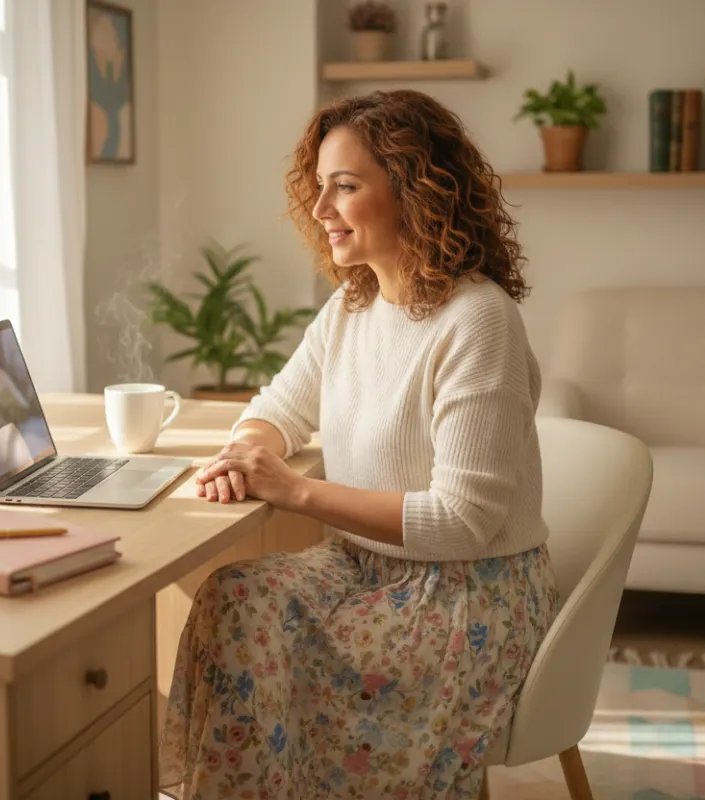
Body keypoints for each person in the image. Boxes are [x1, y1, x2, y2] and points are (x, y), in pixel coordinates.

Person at [158, 89, 559, 800]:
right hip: (364, 570)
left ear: (416, 192)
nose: (320, 211)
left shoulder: (479, 322)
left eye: (344, 187)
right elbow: (280, 406)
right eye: (319, 189)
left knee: (261, 635)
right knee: (234, 599)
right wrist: (243, 452)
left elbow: (464, 522)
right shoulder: (354, 305)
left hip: (465, 596)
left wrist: (294, 490)